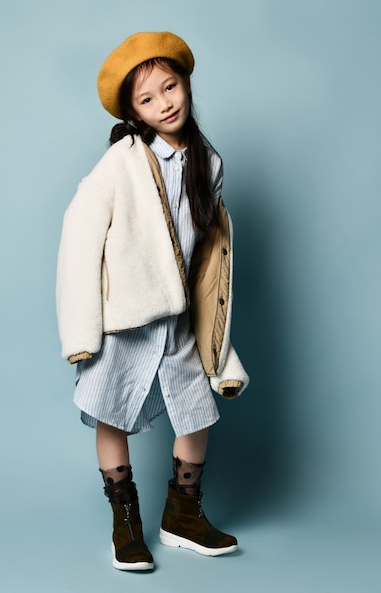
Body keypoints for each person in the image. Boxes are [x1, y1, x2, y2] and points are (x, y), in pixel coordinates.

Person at [56, 31, 249, 571]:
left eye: (171, 86)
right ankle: (126, 526)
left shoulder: (208, 163)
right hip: (128, 320)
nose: (165, 102)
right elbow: (80, 236)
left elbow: (212, 258)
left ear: (186, 84)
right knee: (110, 413)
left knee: (196, 413)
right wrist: (81, 331)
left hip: (180, 320)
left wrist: (218, 338)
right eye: (148, 98)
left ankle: (182, 516)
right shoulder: (123, 159)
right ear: (135, 112)